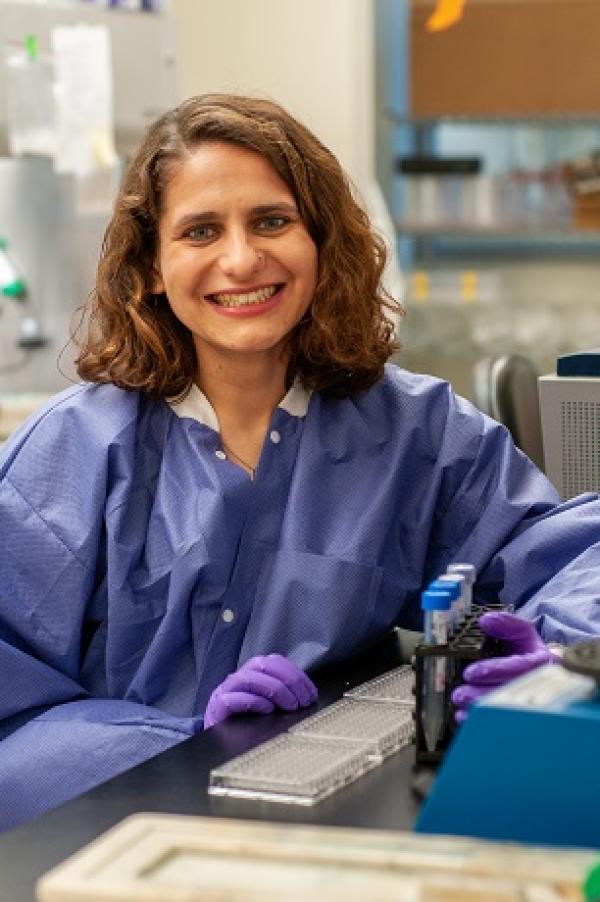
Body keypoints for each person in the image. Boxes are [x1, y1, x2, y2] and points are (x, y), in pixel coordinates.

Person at [1, 94, 599, 833]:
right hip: (112, 833)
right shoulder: (75, 452)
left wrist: (554, 655)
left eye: (272, 221)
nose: (242, 258)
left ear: (320, 240)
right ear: (151, 266)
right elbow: (11, 707)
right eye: (200, 231)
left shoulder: (413, 432)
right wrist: (176, 745)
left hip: (328, 818)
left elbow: (576, 554)